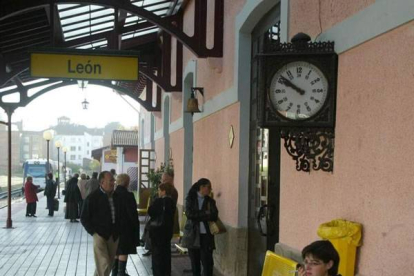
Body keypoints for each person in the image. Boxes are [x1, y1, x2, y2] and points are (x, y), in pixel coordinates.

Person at [81, 171, 120, 276]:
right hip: (99, 235)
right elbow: (84, 217)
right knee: (104, 264)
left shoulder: (117, 196)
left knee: (108, 264)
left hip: (114, 235)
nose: (113, 182)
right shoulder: (92, 198)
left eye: (113, 180)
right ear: (102, 182)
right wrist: (94, 232)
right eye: (111, 180)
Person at [182, 178, 218, 276]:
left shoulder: (211, 201)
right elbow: (189, 214)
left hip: (206, 236)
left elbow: (214, 216)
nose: (210, 190)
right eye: (209, 187)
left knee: (208, 264)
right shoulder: (191, 199)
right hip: (193, 235)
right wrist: (205, 213)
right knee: (195, 264)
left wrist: (199, 215)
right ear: (202, 187)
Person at [112, 174, 140, 276]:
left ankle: (114, 272)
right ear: (127, 183)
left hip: (113, 227)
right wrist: (135, 226)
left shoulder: (112, 194)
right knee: (123, 250)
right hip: (125, 227)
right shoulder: (129, 195)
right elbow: (132, 214)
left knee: (116, 249)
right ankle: (121, 272)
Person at [148, 183, 176, 276]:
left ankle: (158, 273)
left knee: (157, 255)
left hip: (157, 231)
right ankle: (166, 272)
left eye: (159, 190)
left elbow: (151, 211)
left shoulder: (158, 201)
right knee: (166, 254)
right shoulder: (172, 202)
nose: (158, 192)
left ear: (164, 191)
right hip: (167, 231)